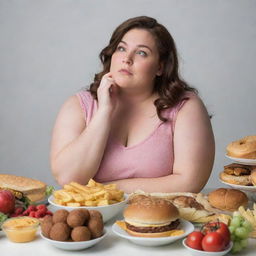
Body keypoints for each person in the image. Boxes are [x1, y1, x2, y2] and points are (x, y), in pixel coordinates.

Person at [50, 16, 215, 193]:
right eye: (121, 48)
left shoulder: (186, 107)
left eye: (141, 52)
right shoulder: (78, 106)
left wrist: (107, 190)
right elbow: (68, 178)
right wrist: (104, 111)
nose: (127, 59)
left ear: (160, 67)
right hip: (92, 220)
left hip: (163, 220)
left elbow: (189, 182)